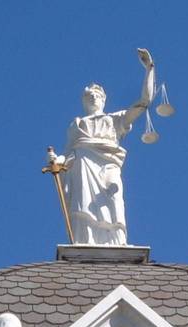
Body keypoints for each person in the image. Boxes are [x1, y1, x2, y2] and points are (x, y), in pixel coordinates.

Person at [53, 48, 155, 245]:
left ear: (104, 100)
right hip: (82, 164)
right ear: (84, 101)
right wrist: (58, 160)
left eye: (97, 96)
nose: (94, 98)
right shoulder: (77, 124)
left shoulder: (114, 120)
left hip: (108, 164)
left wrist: (150, 69)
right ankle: (86, 239)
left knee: (113, 198)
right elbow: (68, 151)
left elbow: (145, 102)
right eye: (89, 96)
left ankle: (116, 240)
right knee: (83, 205)